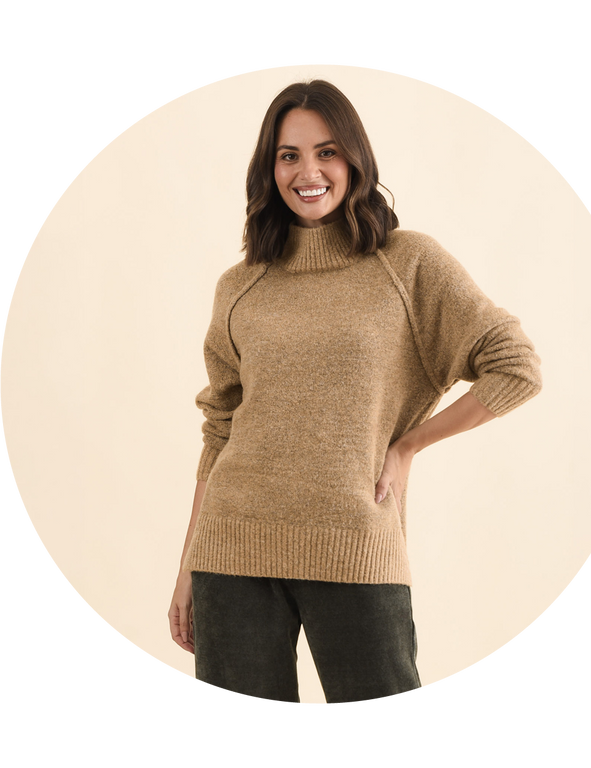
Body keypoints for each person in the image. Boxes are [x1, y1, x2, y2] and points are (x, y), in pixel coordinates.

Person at [168, 79, 542, 705]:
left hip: (355, 546)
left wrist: (407, 445)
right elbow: (220, 429)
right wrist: (187, 566)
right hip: (230, 553)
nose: (308, 172)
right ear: (269, 168)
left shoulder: (408, 263)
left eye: (327, 152)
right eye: (289, 155)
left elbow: (516, 366)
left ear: (355, 160)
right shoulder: (240, 284)